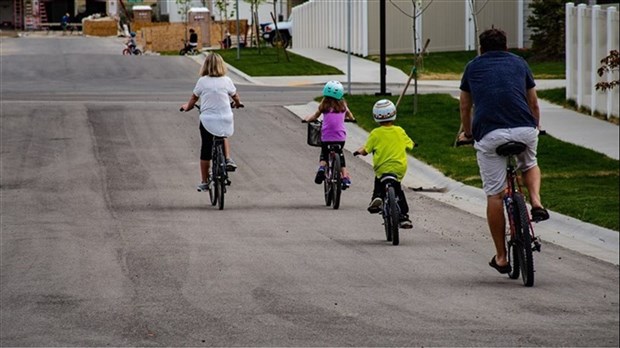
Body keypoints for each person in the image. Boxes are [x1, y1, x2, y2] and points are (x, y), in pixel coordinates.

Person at [457, 28, 549, 275]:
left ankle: (500, 257)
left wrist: (467, 132)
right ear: (506, 47)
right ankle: (536, 202)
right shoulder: (520, 63)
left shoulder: (472, 67)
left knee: (495, 195)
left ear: (481, 48)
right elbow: (533, 102)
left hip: (490, 134)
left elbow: (465, 106)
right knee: (529, 163)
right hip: (524, 129)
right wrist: (536, 126)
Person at [180, 52, 242, 192]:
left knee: (206, 149)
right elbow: (235, 96)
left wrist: (187, 107)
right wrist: (237, 103)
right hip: (225, 118)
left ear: (205, 66)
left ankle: (204, 181)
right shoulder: (227, 80)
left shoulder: (202, 81)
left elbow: (194, 98)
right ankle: (227, 159)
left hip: (208, 120)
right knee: (222, 134)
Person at [353, 99, 413, 229]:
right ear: (394, 114)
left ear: (376, 116)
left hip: (382, 168)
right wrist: (413, 144)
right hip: (398, 167)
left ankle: (377, 198)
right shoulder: (400, 131)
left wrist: (359, 151)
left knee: (379, 180)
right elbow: (410, 144)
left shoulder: (375, 133)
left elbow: (365, 150)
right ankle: (404, 217)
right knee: (398, 189)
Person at [304, 80, 356, 189]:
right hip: (340, 138)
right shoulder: (343, 106)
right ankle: (345, 177)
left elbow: (315, 116)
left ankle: (322, 168)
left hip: (326, 137)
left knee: (324, 153)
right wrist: (352, 119)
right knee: (340, 154)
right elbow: (350, 116)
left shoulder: (324, 106)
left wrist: (307, 119)